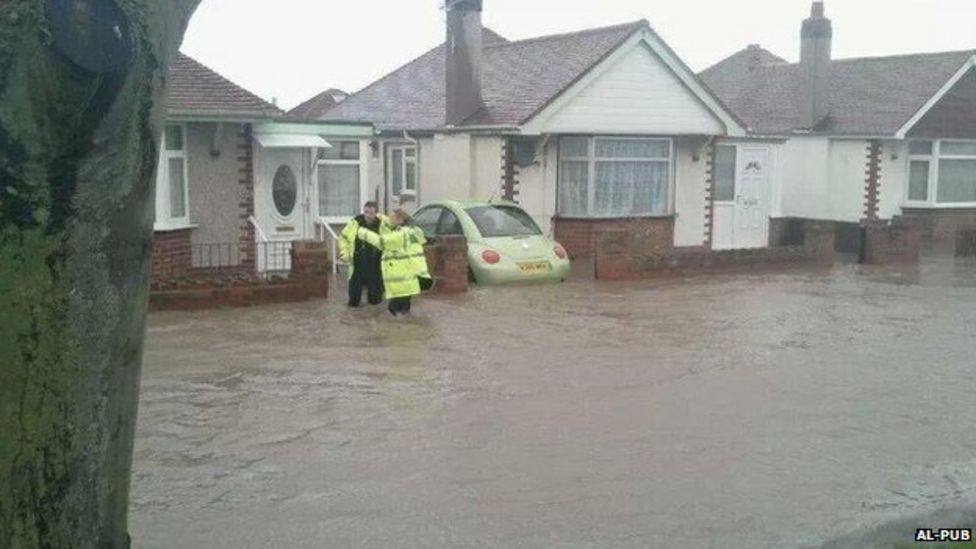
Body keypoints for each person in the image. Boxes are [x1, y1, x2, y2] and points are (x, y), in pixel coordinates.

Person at [357, 208, 435, 317]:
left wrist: (361, 231)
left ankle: (400, 331)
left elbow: (381, 242)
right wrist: (381, 218)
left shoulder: (401, 235)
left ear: (400, 220)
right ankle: (410, 330)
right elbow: (390, 232)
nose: (390, 220)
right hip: (410, 281)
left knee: (394, 312)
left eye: (392, 218)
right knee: (405, 311)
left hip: (401, 283)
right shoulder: (414, 231)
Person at [339, 201, 386, 308]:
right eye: (366, 212)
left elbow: (389, 240)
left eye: (371, 213)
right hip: (357, 262)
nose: (368, 216)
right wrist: (344, 253)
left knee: (375, 301)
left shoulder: (382, 224)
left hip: (375, 263)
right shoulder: (355, 223)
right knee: (353, 300)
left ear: (376, 213)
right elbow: (343, 238)